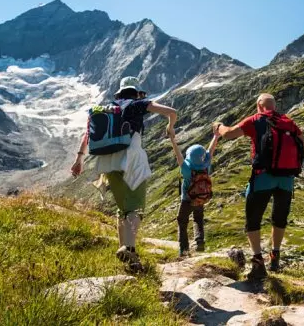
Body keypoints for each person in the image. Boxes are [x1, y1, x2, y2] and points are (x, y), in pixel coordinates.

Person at [213, 93, 304, 280]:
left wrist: (218, 126)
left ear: (259, 105)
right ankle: (275, 256)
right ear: (274, 106)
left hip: (263, 177)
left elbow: (229, 134)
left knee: (253, 219)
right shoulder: (288, 122)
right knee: (279, 219)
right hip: (286, 179)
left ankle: (258, 262)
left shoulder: (256, 119)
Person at [71, 76, 177, 270]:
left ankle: (127, 251)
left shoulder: (107, 109)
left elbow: (87, 135)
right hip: (132, 159)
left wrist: (79, 159)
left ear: (119, 92)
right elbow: (171, 112)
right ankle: (129, 247)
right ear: (136, 92)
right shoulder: (137, 104)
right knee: (136, 208)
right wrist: (170, 127)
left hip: (108, 161)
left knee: (122, 208)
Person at [168, 130, 220, 257]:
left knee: (182, 221)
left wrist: (172, 140)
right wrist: (216, 136)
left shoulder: (186, 168)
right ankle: (199, 241)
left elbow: (178, 155)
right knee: (198, 219)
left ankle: (184, 249)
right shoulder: (206, 165)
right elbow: (210, 150)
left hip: (187, 199)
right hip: (201, 198)